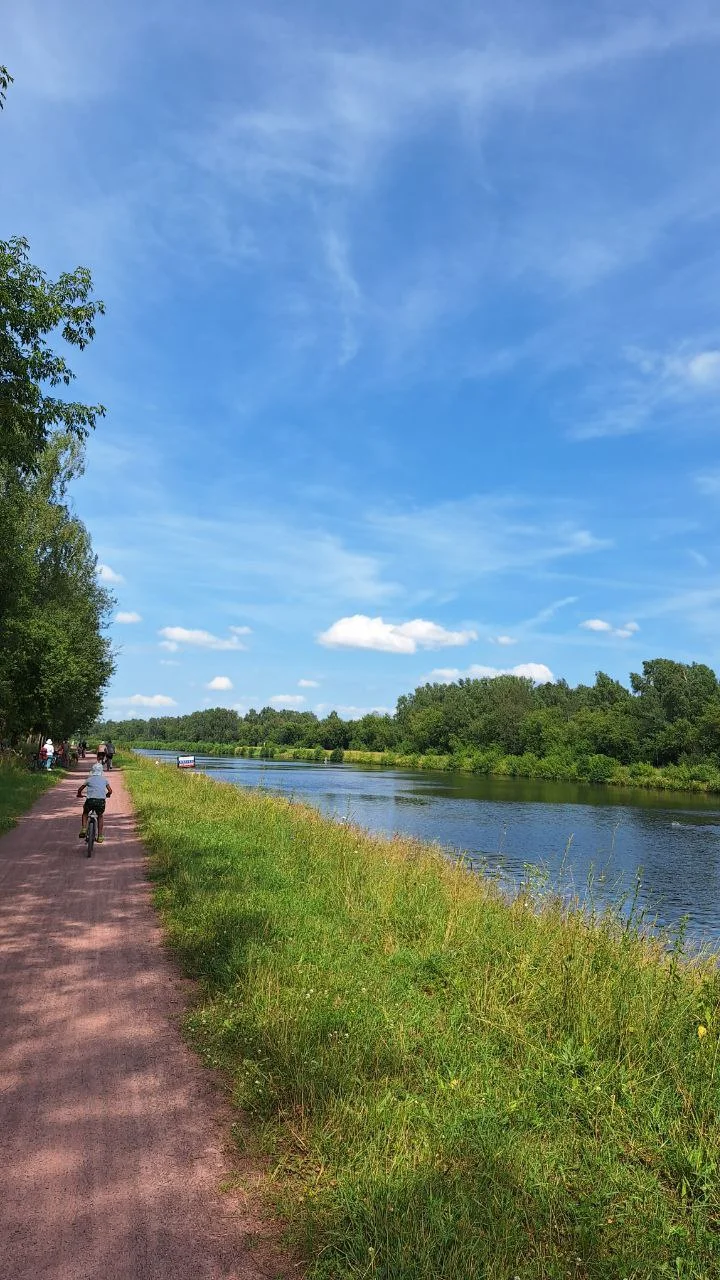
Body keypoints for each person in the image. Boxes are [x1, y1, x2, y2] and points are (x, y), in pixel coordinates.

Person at [77, 763, 112, 843]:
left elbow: (80, 790)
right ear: (101, 771)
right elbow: (110, 791)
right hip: (101, 801)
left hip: (90, 800)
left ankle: (84, 828)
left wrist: (79, 794)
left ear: (92, 771)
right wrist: (107, 795)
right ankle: (99, 836)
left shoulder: (89, 779)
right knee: (100, 816)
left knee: (85, 813)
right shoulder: (104, 779)